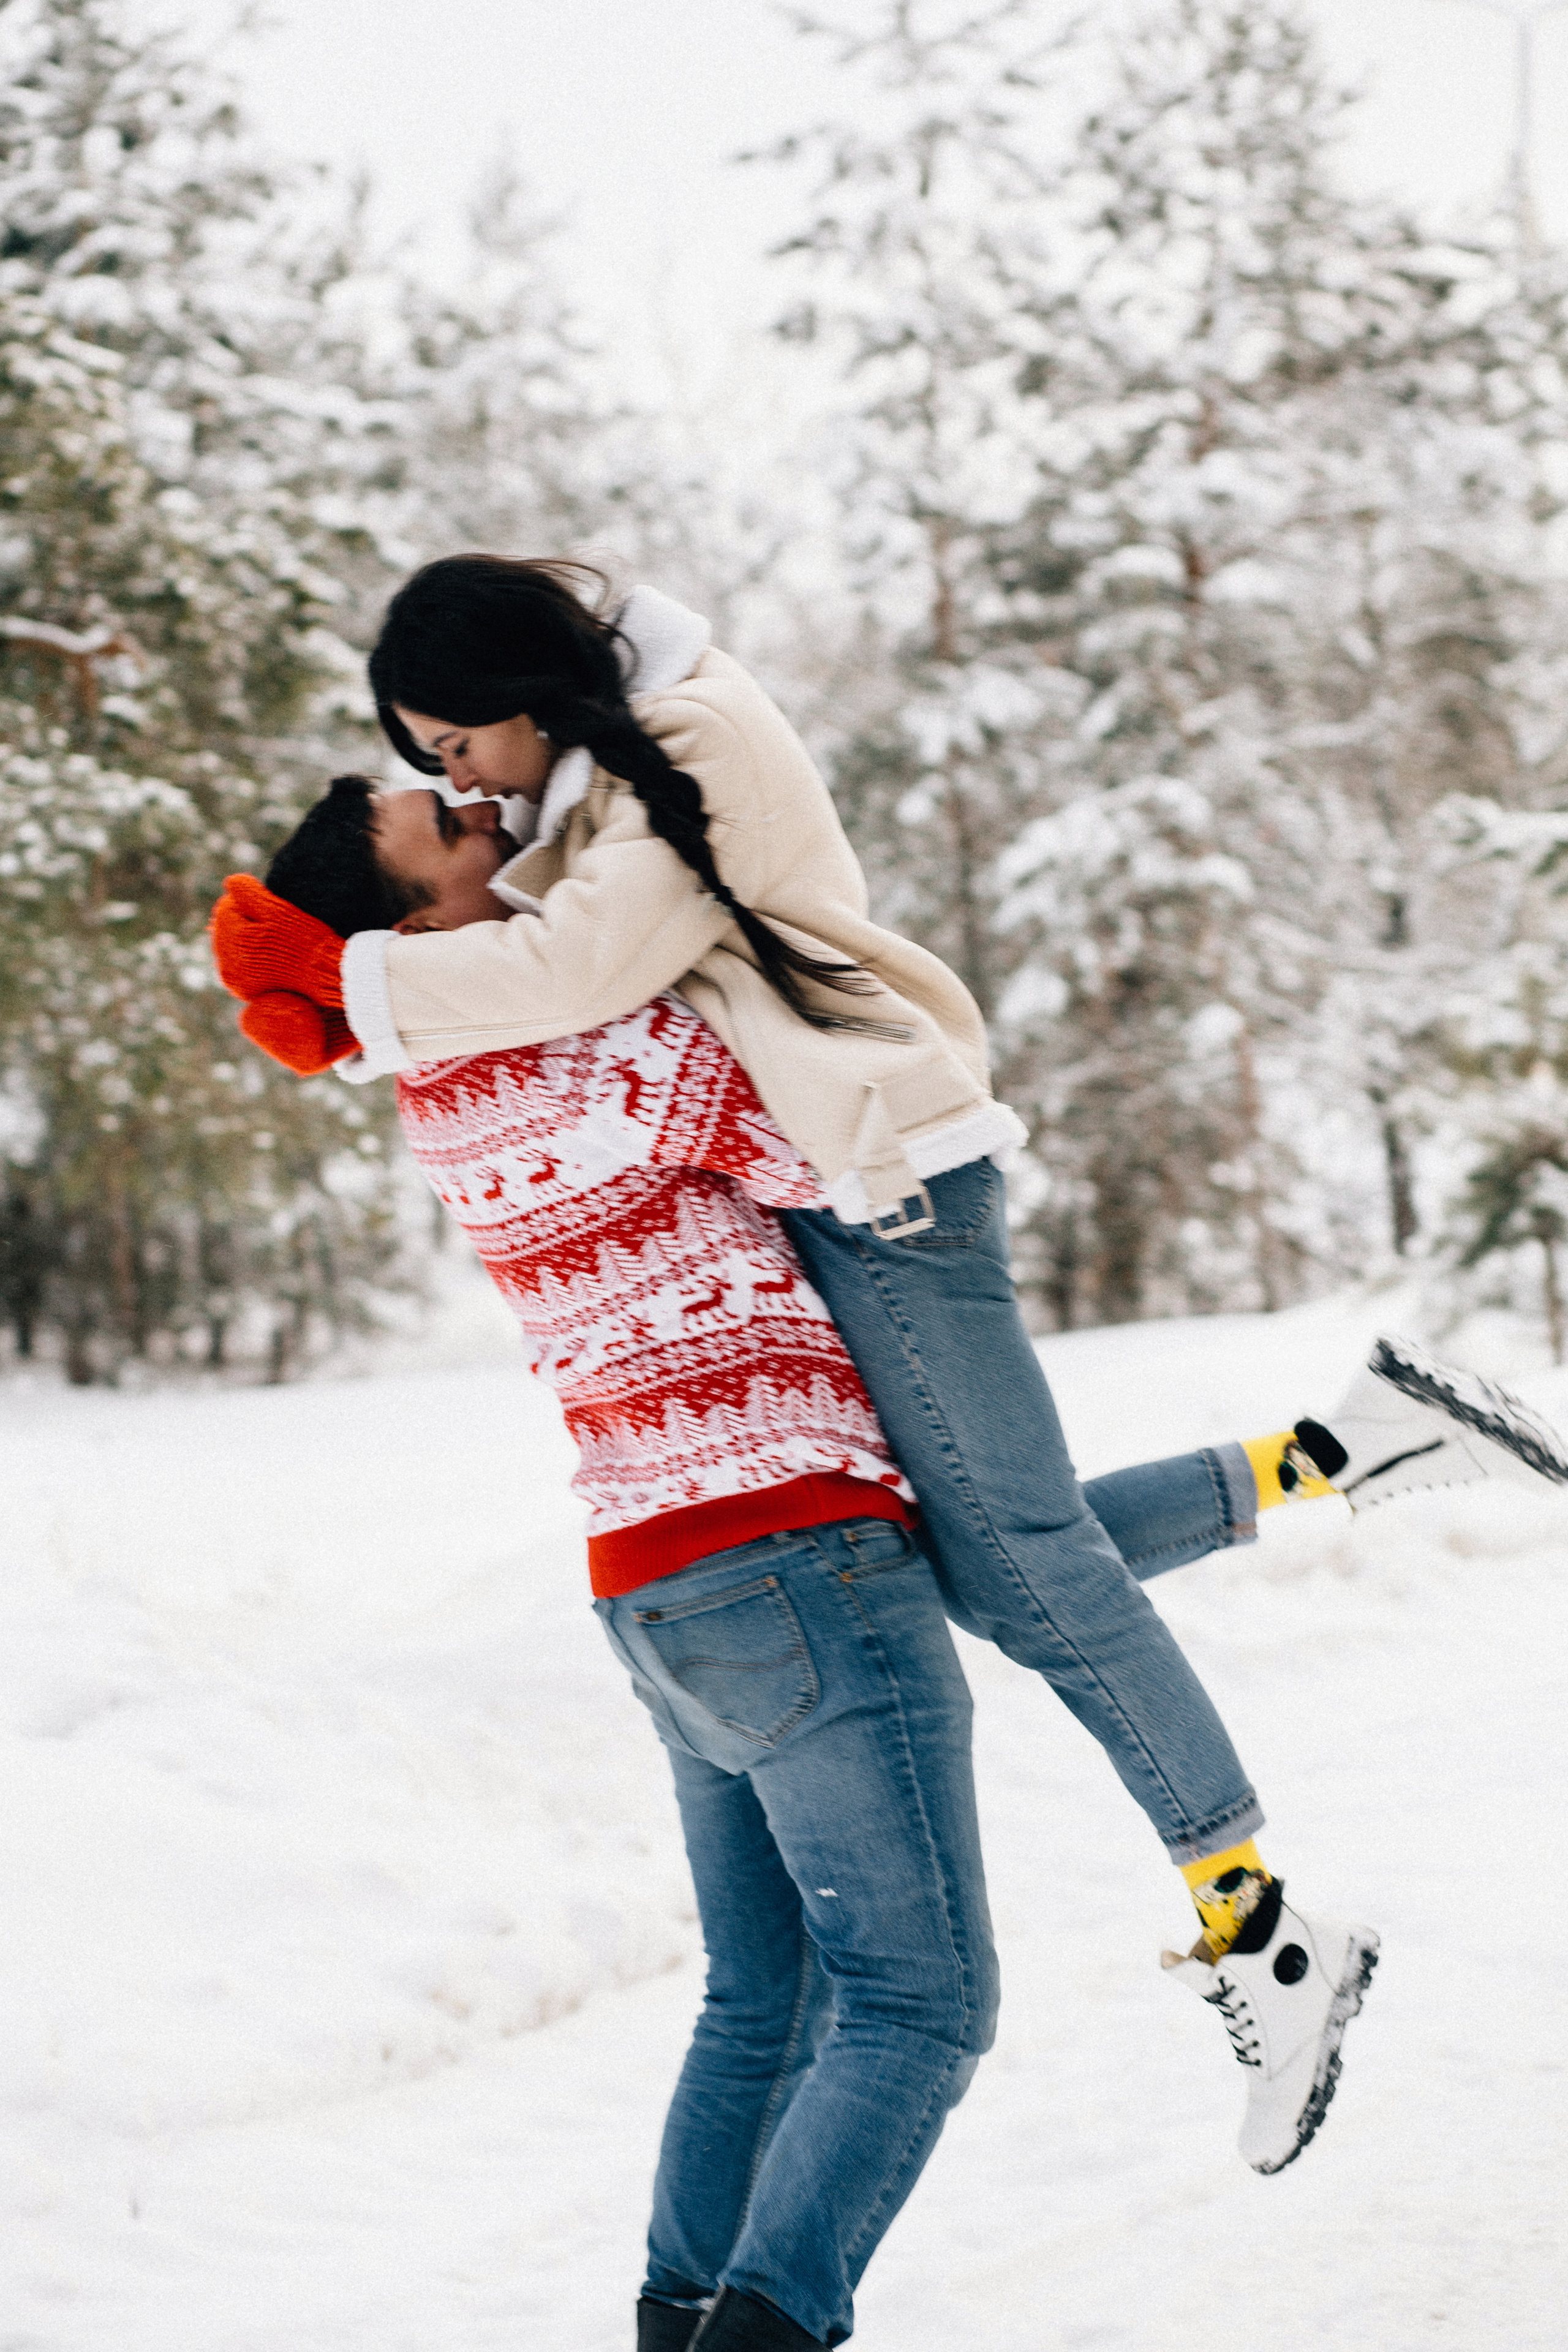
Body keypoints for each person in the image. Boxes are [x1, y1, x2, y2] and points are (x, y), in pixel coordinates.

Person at [209, 572, 1568, 2182]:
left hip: (884, 1170)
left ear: (516, 684)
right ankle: (1353, 1450)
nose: (470, 786)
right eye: (435, 776)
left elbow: (573, 986)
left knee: (1032, 1575)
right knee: (981, 1565)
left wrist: (341, 994)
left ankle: (1265, 1934)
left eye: (457, 747)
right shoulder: (586, 785)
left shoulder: (681, 745)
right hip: (840, 1177)